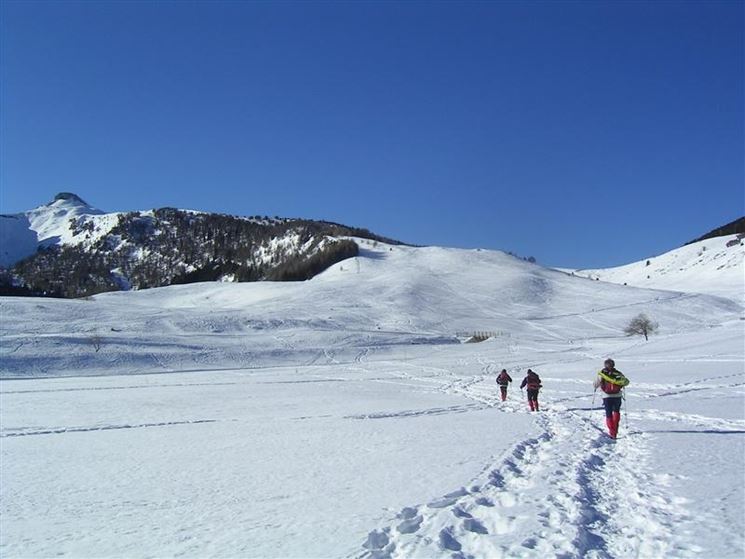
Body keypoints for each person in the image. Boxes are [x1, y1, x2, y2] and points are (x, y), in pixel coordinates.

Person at [593, 358, 630, 439]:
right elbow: (624, 383)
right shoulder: (618, 373)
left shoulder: (602, 374)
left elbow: (595, 384)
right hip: (617, 396)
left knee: (608, 414)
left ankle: (612, 432)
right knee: (616, 412)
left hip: (607, 396)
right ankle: (615, 431)